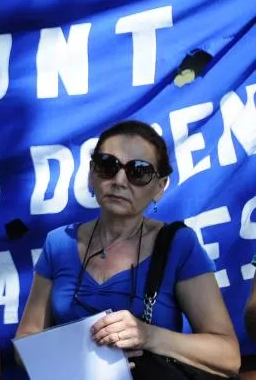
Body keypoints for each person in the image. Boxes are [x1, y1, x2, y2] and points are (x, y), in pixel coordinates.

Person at [16, 120, 240, 376]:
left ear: (160, 187)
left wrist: (148, 336)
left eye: (139, 171)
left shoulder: (179, 245)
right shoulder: (59, 242)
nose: (120, 180)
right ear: (91, 173)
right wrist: (81, 355)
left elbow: (228, 355)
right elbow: (24, 345)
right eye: (107, 166)